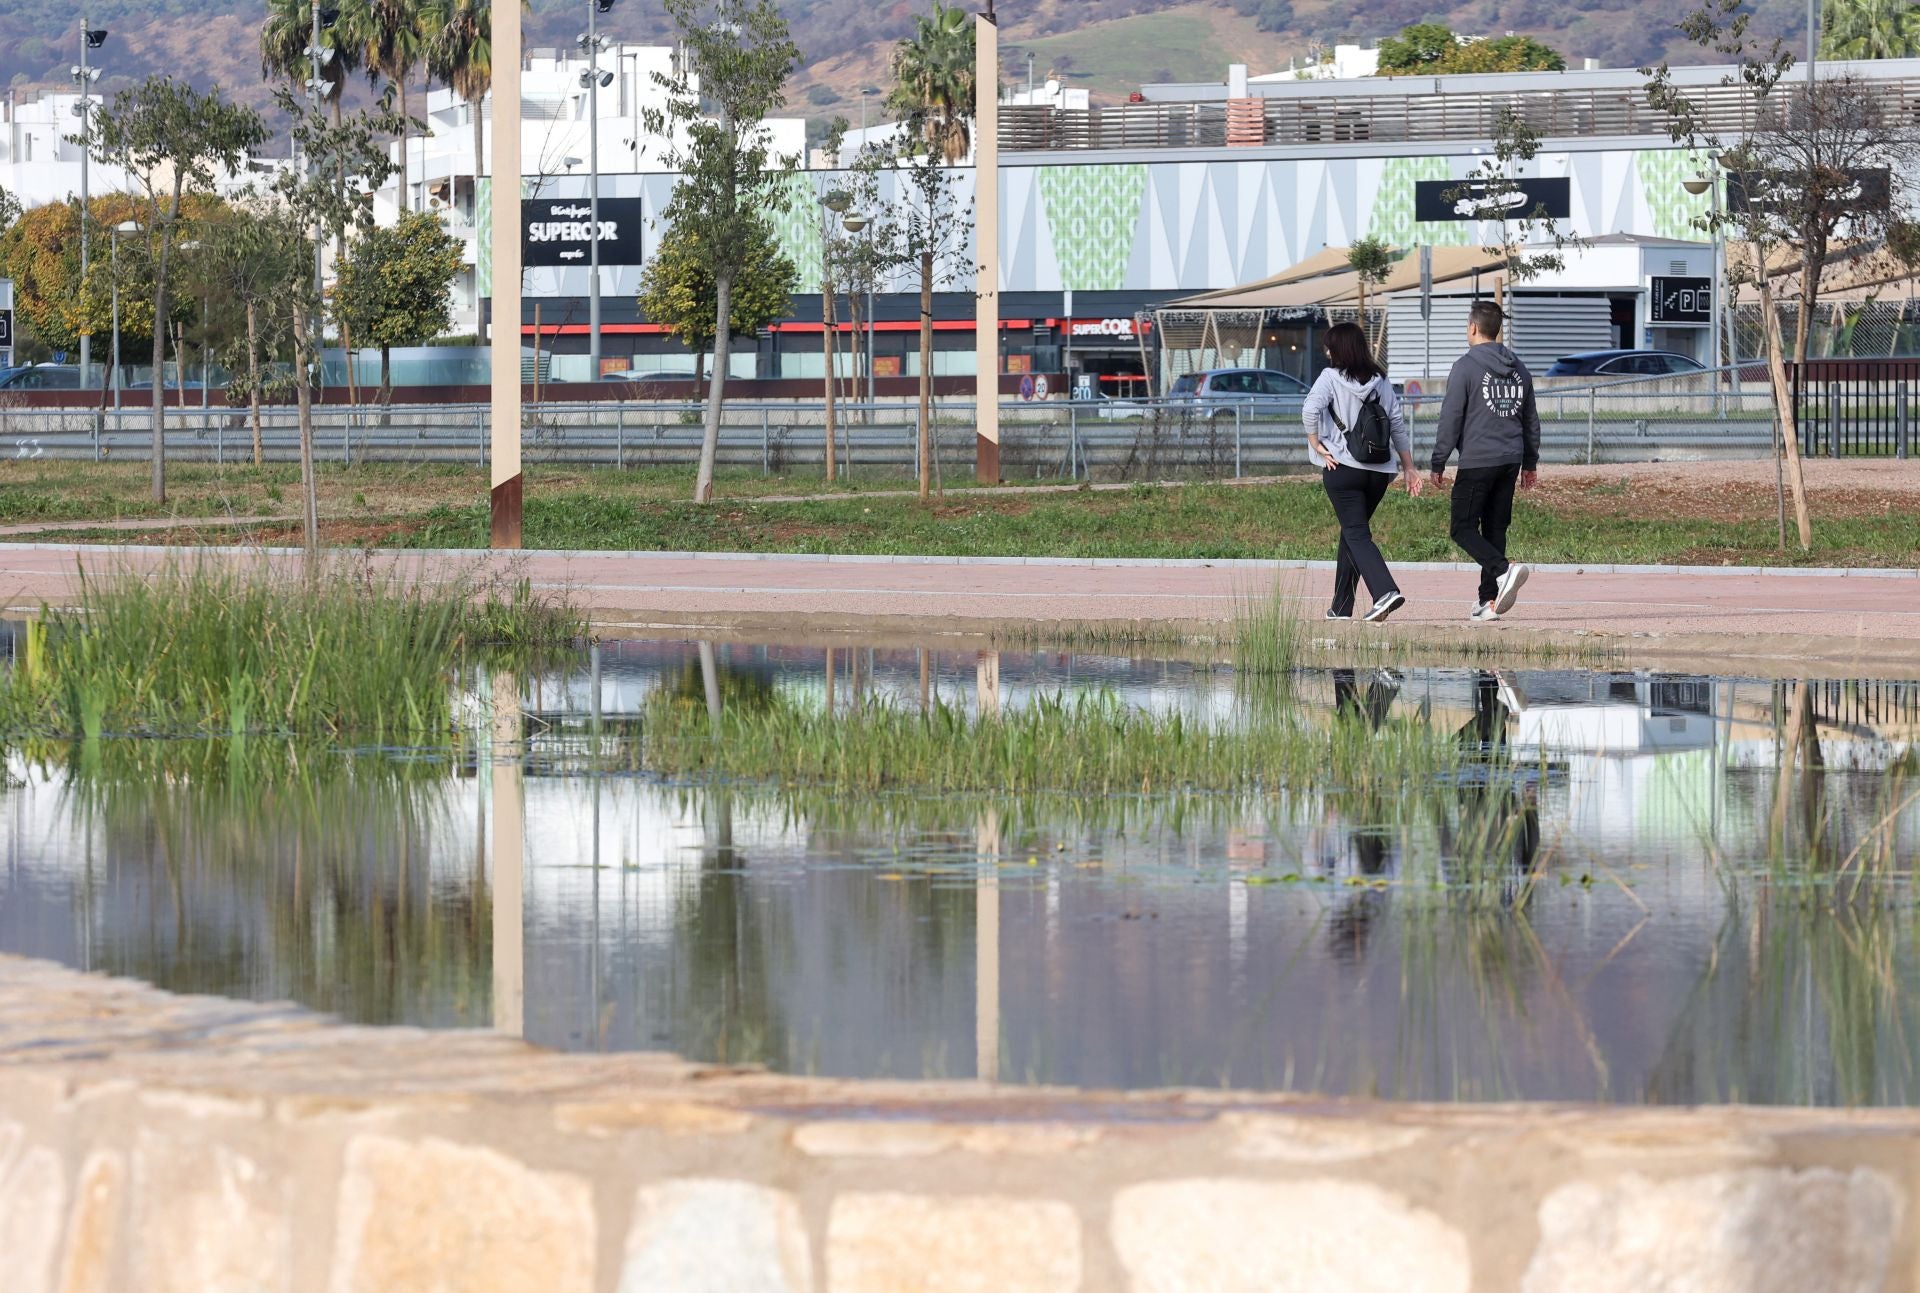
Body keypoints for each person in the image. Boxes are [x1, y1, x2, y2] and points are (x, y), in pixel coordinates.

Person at [1301, 321, 1423, 624]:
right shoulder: (1381, 381)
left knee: (1356, 533)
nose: (1326, 352)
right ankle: (1341, 606)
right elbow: (1396, 424)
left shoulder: (1329, 377)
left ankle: (1385, 591)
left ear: (1337, 349)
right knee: (1351, 532)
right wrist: (1408, 467)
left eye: (1329, 346)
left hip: (1343, 467)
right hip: (1379, 472)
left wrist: (1316, 443)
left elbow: (1309, 410)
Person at [1430, 301, 1541, 623]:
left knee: (1462, 527)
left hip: (1478, 459)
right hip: (1510, 459)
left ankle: (1503, 570)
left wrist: (1439, 461)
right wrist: (1530, 462)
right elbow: (1530, 419)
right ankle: (1487, 601)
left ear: (1473, 328)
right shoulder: (1519, 368)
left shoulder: (1465, 366)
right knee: (1494, 529)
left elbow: (1451, 417)